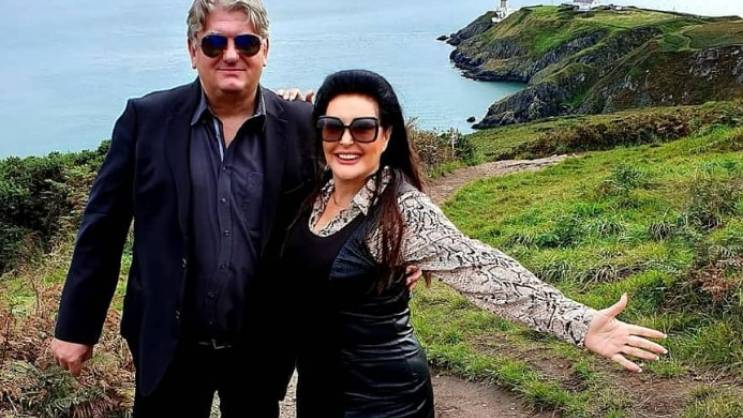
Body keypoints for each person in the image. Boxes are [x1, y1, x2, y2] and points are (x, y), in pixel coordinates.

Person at [280, 69, 668, 418]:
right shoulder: (313, 191)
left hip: (382, 397)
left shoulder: (402, 212)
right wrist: (286, 105)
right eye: (332, 127)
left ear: (386, 135)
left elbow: (481, 268)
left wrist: (578, 323)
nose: (346, 140)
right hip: (319, 389)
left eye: (363, 128)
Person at [50, 1, 320, 416]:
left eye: (246, 43)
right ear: (193, 50)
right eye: (214, 44)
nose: (231, 55)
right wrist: (76, 326)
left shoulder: (303, 124)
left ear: (265, 50)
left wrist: (404, 246)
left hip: (261, 342)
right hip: (168, 341)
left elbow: (362, 181)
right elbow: (103, 227)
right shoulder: (147, 119)